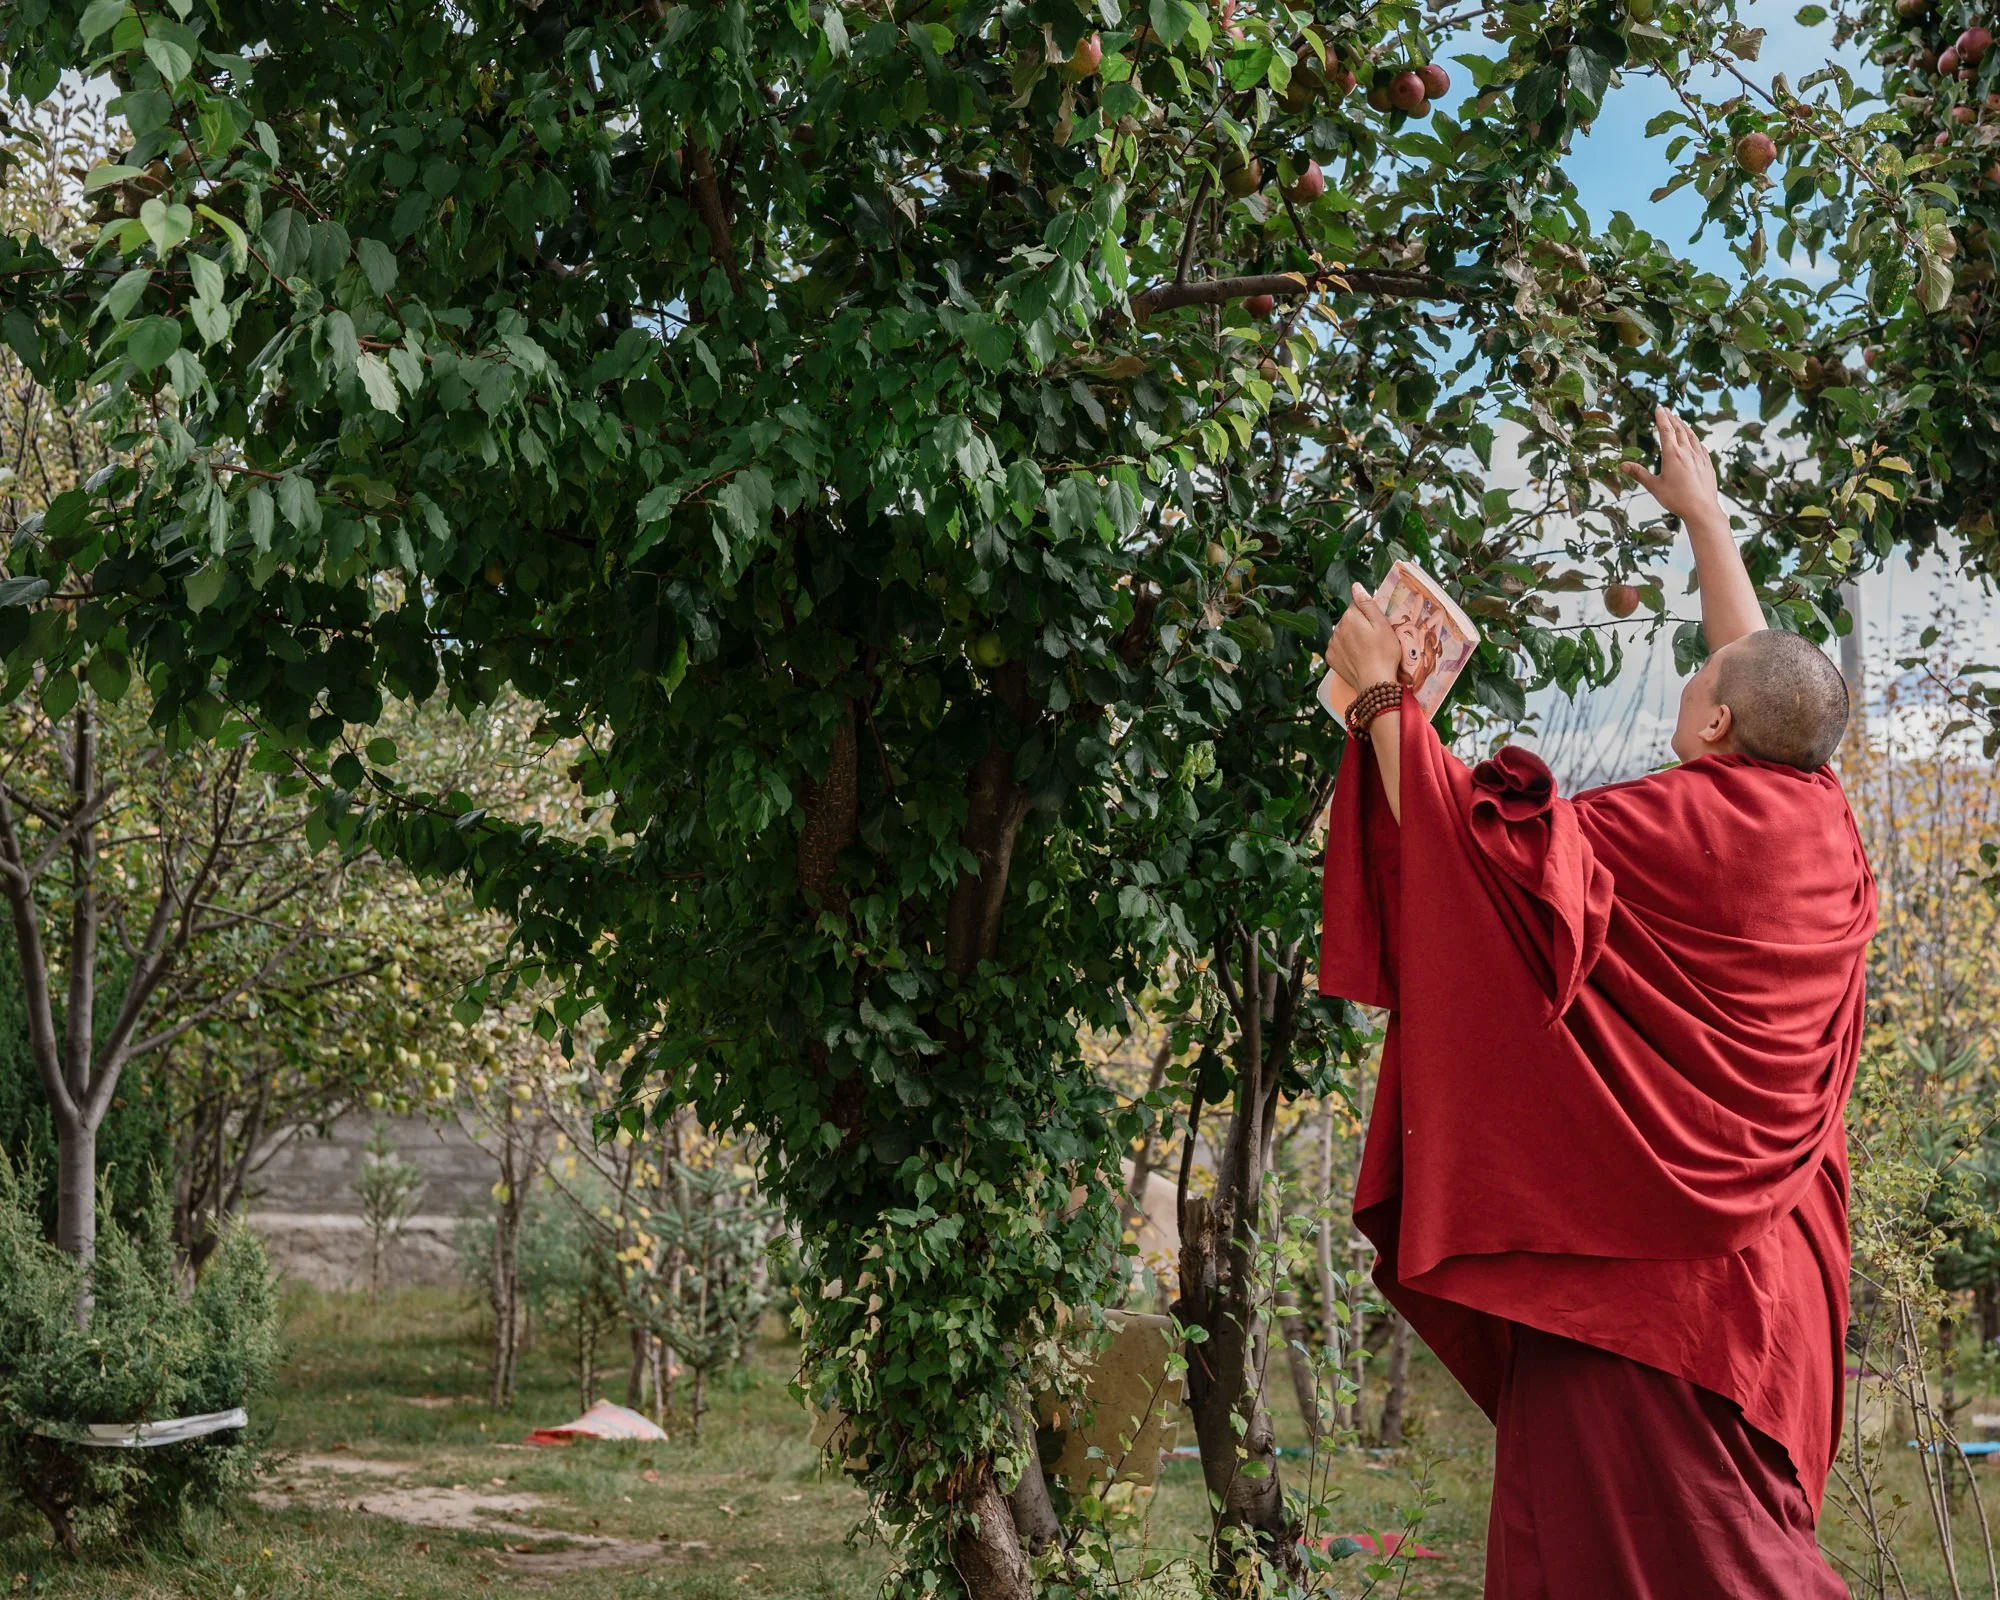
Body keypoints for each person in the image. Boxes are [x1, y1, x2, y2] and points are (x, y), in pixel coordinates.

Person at [1318, 408, 1875, 1599]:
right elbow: (1770, 676)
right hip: (1768, 1285)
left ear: (1715, 725)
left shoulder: (1674, 829)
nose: (1687, 696)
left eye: (1692, 689)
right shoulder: (1824, 829)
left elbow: (1485, 872)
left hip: (1647, 1295)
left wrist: (1382, 709)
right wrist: (1703, 519)